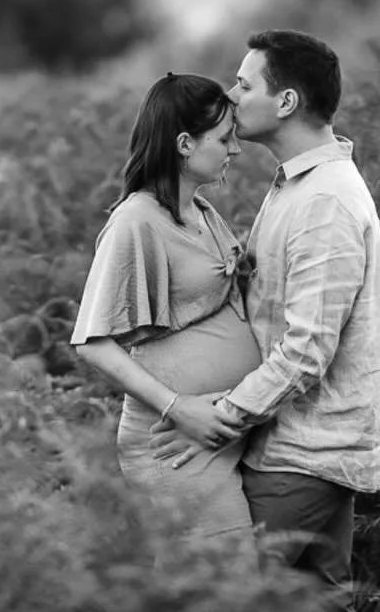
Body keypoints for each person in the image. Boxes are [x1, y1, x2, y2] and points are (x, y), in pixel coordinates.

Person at [156, 29, 380, 612]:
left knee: (220, 608)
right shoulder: (298, 187)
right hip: (307, 444)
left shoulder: (323, 204)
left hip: (304, 450)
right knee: (322, 610)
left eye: (246, 83)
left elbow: (307, 352)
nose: (232, 95)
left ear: (286, 101)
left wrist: (217, 418)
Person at [71, 73, 256, 543]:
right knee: (225, 589)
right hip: (173, 442)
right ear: (184, 144)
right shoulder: (135, 221)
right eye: (224, 138)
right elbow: (93, 343)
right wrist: (179, 408)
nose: (235, 149)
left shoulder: (204, 213)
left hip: (219, 434)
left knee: (219, 592)